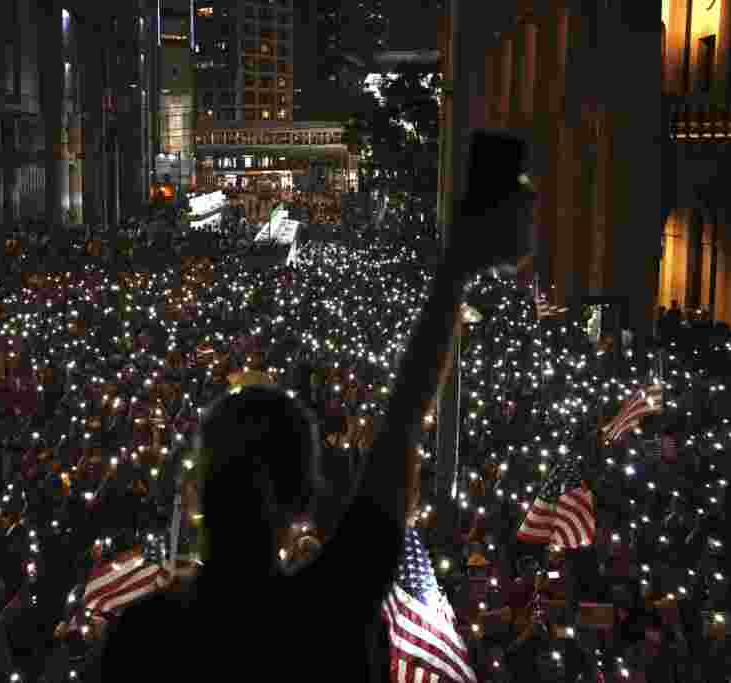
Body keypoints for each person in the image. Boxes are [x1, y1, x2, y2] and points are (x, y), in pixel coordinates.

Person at [96, 172, 535, 681]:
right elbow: (402, 426)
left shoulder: (142, 637)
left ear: (195, 493)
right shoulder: (333, 616)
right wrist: (456, 270)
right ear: (305, 495)